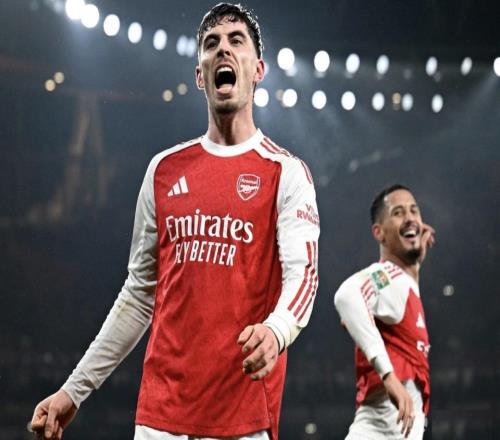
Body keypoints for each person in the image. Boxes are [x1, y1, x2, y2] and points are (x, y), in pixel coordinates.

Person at [30, 3, 320, 440]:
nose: (223, 50)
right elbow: (138, 296)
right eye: (211, 44)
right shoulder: (163, 171)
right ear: (200, 76)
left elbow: (304, 275)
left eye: (236, 41)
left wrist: (277, 330)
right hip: (159, 418)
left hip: (241, 418)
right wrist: (73, 390)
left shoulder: (285, 172)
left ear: (258, 70)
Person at [334, 184, 435, 439]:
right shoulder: (388, 275)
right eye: (398, 213)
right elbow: (346, 295)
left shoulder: (404, 281)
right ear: (379, 232)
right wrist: (388, 375)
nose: (410, 217)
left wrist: (416, 262)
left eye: (414, 211)